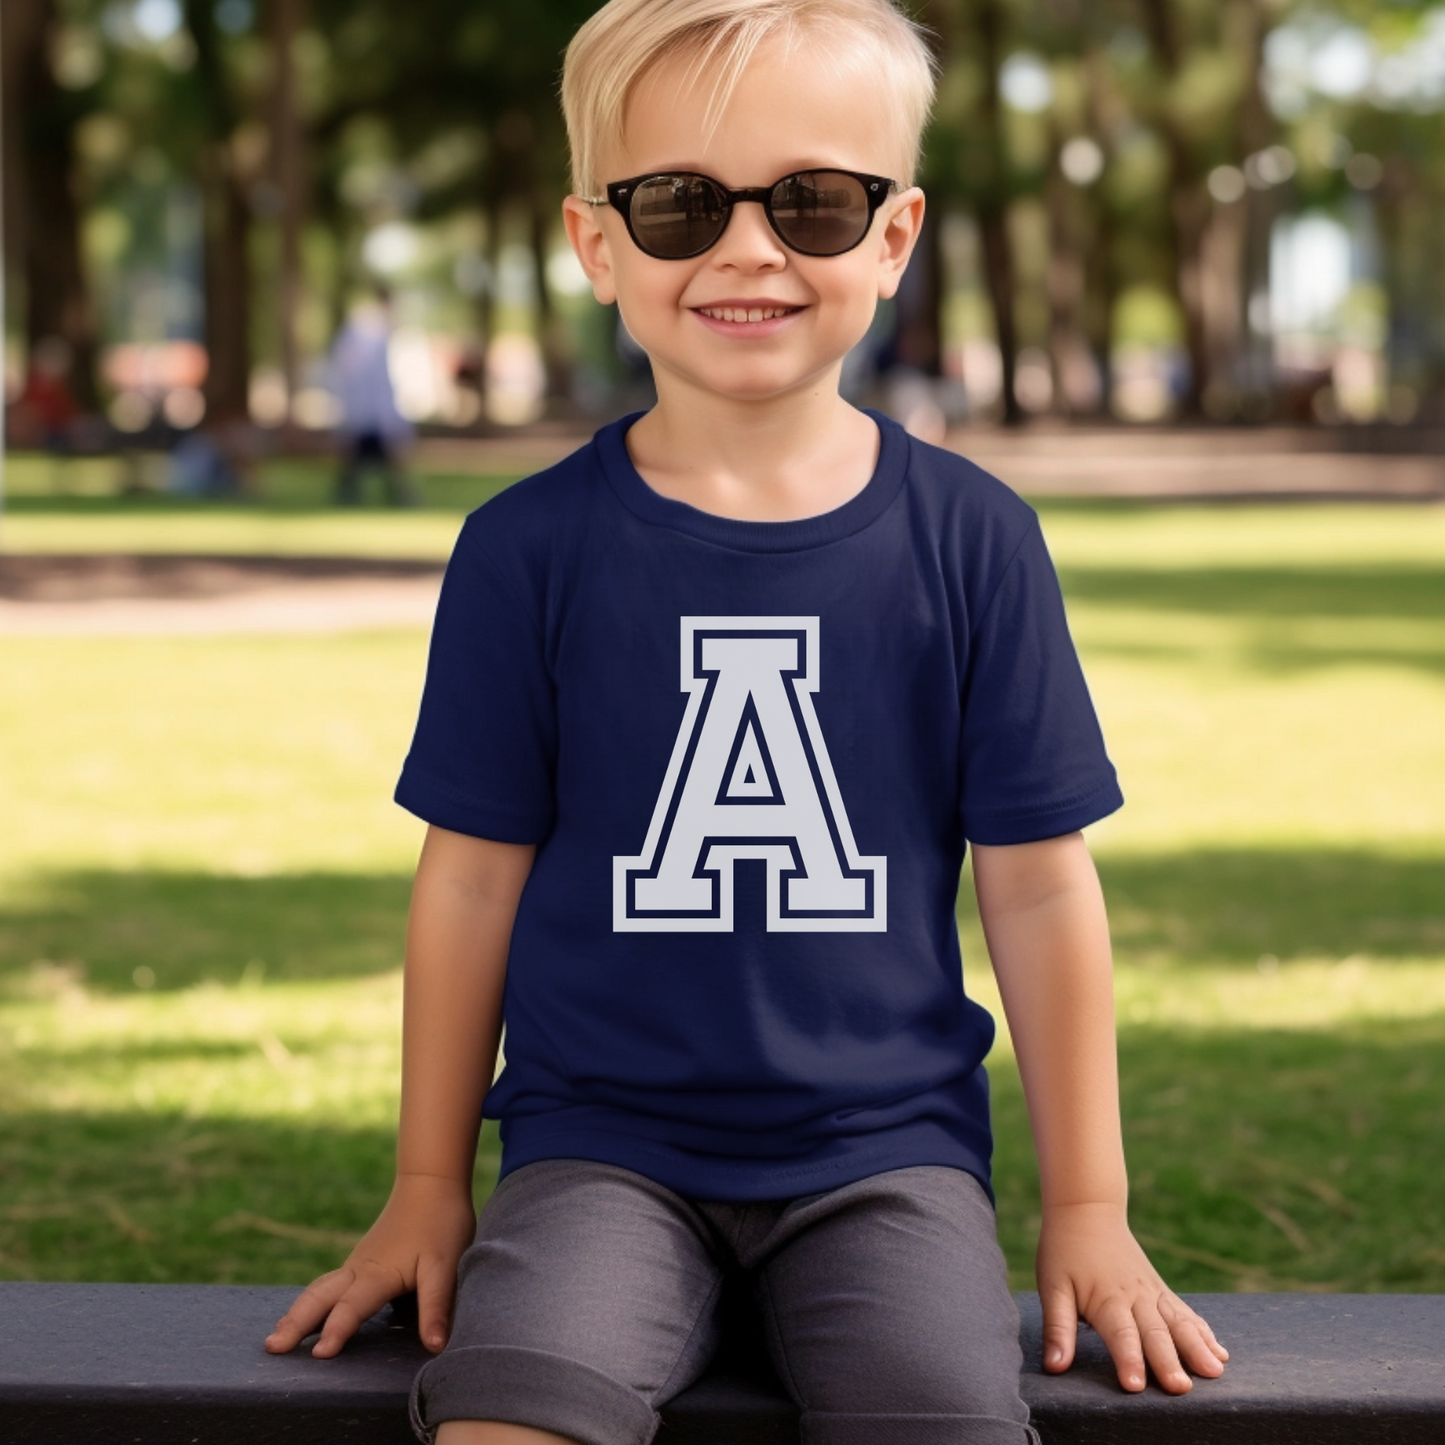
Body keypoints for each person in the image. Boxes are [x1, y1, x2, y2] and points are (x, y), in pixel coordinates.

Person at [265, 2, 1229, 1441]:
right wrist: (425, 1187)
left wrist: (1091, 1207)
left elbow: (1037, 887)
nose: (747, 247)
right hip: (598, 1152)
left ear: (893, 238)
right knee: (511, 1417)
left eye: (814, 202)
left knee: (937, 1415)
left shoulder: (975, 542)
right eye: (677, 203)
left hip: (885, 1157)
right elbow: (470, 876)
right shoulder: (524, 550)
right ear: (597, 243)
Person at [330, 285, 420, 505]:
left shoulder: (382, 330)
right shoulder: (366, 330)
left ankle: (398, 493)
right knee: (364, 452)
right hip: (367, 405)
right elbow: (352, 368)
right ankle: (393, 494)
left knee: (386, 453)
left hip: (378, 406)